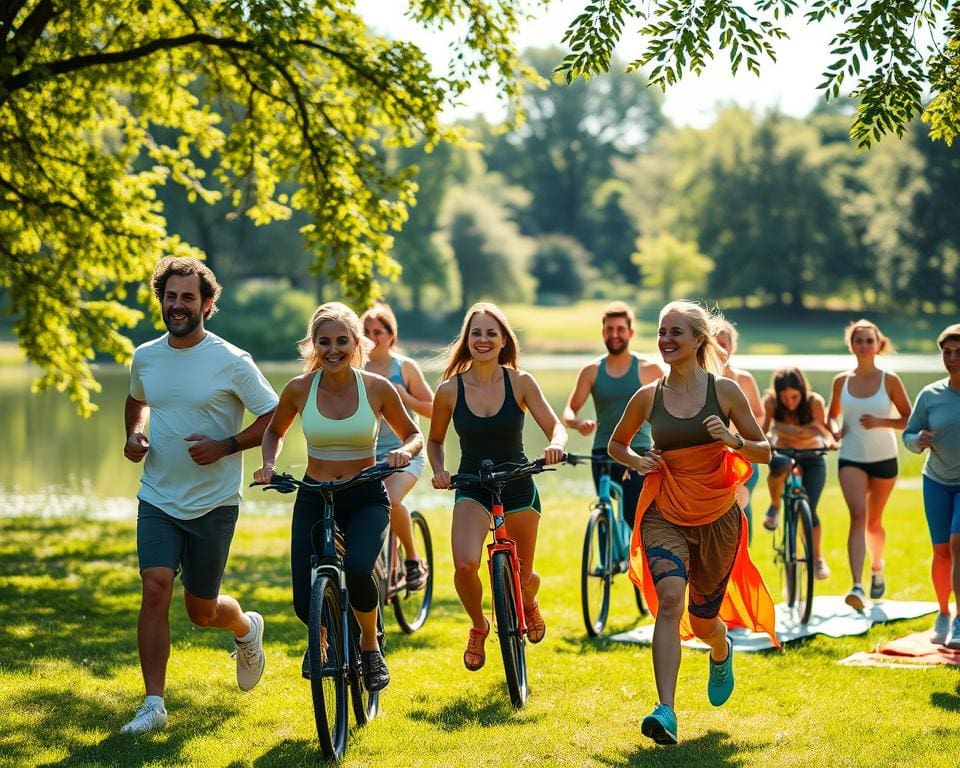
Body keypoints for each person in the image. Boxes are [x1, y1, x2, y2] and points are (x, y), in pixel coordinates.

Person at [122, 257, 279, 734]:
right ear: (161, 299)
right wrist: (134, 433)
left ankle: (246, 629)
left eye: (188, 297)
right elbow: (137, 401)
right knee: (155, 589)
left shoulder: (232, 360)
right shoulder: (146, 355)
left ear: (207, 304)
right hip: (158, 497)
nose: (177, 305)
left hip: (214, 503)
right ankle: (153, 705)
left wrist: (227, 446)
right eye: (171, 296)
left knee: (201, 610)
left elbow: (275, 416)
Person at [608, 300, 774, 746]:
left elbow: (764, 452)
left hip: (718, 518)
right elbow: (616, 446)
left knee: (703, 621)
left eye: (675, 332)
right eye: (662, 332)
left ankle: (720, 648)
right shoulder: (649, 396)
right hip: (666, 510)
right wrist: (640, 460)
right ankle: (666, 709)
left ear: (699, 339)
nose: (665, 340)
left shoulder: (726, 392)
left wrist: (734, 440)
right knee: (667, 599)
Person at [253, 302, 422, 692]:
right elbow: (274, 432)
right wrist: (267, 463)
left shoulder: (377, 388)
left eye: (342, 341)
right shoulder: (298, 389)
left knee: (360, 569)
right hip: (315, 496)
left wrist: (403, 453)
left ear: (356, 343)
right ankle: (323, 640)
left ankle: (368, 644)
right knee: (302, 600)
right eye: (324, 341)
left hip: (364, 495)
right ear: (313, 345)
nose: (333, 349)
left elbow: (413, 434)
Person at [428, 302, 567, 671]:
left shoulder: (520, 381)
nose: (483, 339)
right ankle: (478, 625)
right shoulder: (449, 390)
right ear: (467, 339)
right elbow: (436, 441)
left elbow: (556, 426)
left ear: (504, 339)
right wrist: (440, 470)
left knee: (522, 575)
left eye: (492, 333)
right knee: (465, 563)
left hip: (518, 482)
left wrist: (556, 445)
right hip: (473, 484)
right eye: (476, 333)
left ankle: (529, 602)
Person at [826, 319, 911, 611]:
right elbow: (831, 416)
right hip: (851, 456)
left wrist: (881, 422)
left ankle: (877, 567)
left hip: (885, 458)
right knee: (858, 516)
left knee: (874, 522)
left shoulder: (890, 380)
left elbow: (910, 419)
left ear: (878, 344)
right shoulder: (841, 381)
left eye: (869, 340)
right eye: (858, 340)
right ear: (851, 345)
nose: (864, 345)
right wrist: (835, 431)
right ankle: (857, 586)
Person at [563, 301, 663, 528]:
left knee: (633, 515)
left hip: (638, 450)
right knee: (604, 512)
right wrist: (578, 423)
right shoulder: (591, 371)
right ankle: (605, 564)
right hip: (602, 453)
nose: (615, 335)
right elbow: (569, 411)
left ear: (631, 332)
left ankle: (635, 560)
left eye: (620, 329)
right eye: (609, 329)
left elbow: (671, 408)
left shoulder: (650, 369)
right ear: (603, 333)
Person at [361, 303, 435, 590]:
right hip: (368, 454)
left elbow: (432, 409)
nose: (371, 337)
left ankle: (413, 561)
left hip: (407, 451)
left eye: (378, 332)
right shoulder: (357, 368)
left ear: (391, 335)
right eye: (365, 332)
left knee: (390, 501)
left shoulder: (404, 368)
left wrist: (405, 397)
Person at [903, 323, 960, 648]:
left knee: (957, 543)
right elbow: (908, 435)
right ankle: (943, 613)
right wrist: (917, 440)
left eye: (958, 352)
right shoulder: (931, 394)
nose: (952, 359)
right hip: (936, 481)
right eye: (946, 352)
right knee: (941, 551)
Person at [761, 366, 836, 581]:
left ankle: (817, 558)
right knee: (780, 465)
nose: (790, 402)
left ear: (803, 391)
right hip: (784, 453)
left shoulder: (814, 402)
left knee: (810, 509)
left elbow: (824, 430)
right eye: (784, 397)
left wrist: (831, 443)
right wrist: (767, 440)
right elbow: (765, 429)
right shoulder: (771, 402)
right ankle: (775, 505)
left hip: (812, 455)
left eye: (794, 397)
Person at [715, 320, 764, 542]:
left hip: (742, 455)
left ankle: (742, 551)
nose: (719, 349)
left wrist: (742, 438)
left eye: (724, 344)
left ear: (732, 347)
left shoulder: (744, 379)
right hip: (711, 459)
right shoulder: (698, 381)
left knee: (739, 507)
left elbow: (760, 415)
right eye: (714, 344)